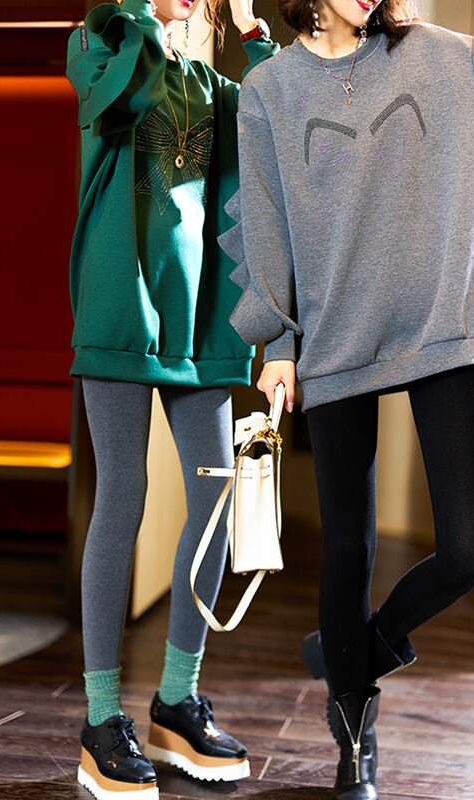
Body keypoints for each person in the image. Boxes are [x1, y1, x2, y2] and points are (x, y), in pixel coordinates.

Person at [218, 0, 474, 797]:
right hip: (335, 339)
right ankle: (353, 738)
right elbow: (266, 225)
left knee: (471, 550)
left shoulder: (447, 56)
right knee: (347, 549)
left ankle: (354, 651)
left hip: (442, 331)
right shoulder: (269, 91)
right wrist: (276, 346)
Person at [65, 1, 279, 797]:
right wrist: (141, 13)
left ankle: (177, 702)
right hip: (122, 306)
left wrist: (253, 32)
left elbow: (277, 126)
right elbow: (126, 92)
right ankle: (100, 718)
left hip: (200, 322)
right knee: (124, 490)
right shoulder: (100, 43)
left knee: (214, 501)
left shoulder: (217, 89)